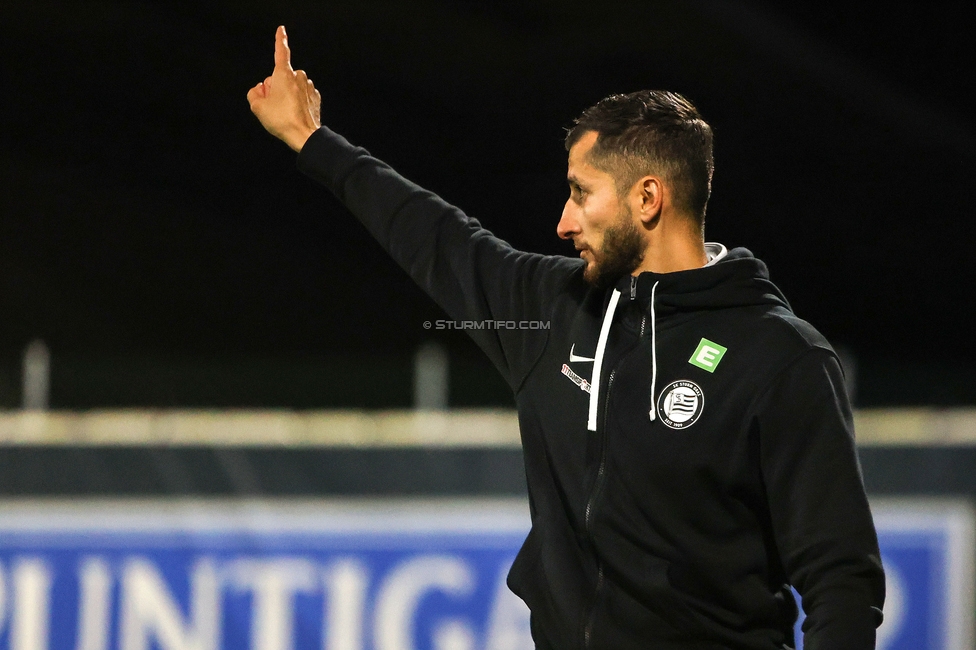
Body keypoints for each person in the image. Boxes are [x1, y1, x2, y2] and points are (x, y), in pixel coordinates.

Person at [248, 26, 885, 650]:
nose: (562, 221)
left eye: (581, 194)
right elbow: (436, 236)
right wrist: (310, 138)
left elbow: (841, 583)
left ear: (647, 198)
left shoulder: (781, 358)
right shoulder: (553, 310)